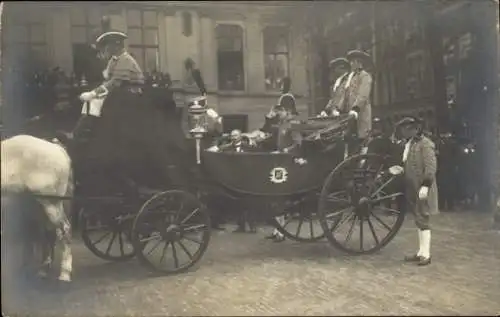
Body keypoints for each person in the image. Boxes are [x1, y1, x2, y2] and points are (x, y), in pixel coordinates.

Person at [390, 116, 438, 266]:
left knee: (423, 219)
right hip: (412, 187)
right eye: (403, 129)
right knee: (418, 219)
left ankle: (426, 255)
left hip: (422, 187)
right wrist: (400, 170)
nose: (404, 132)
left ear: (415, 129)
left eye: (407, 129)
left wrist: (426, 185)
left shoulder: (426, 145)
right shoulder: (410, 145)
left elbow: (430, 167)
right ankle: (420, 252)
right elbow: (410, 164)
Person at [343, 50, 373, 155]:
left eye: (352, 62)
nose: (351, 64)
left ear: (358, 62)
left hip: (361, 113)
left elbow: (363, 94)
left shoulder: (365, 76)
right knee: (350, 140)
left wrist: (355, 108)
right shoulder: (351, 78)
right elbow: (345, 95)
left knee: (362, 139)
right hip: (350, 115)